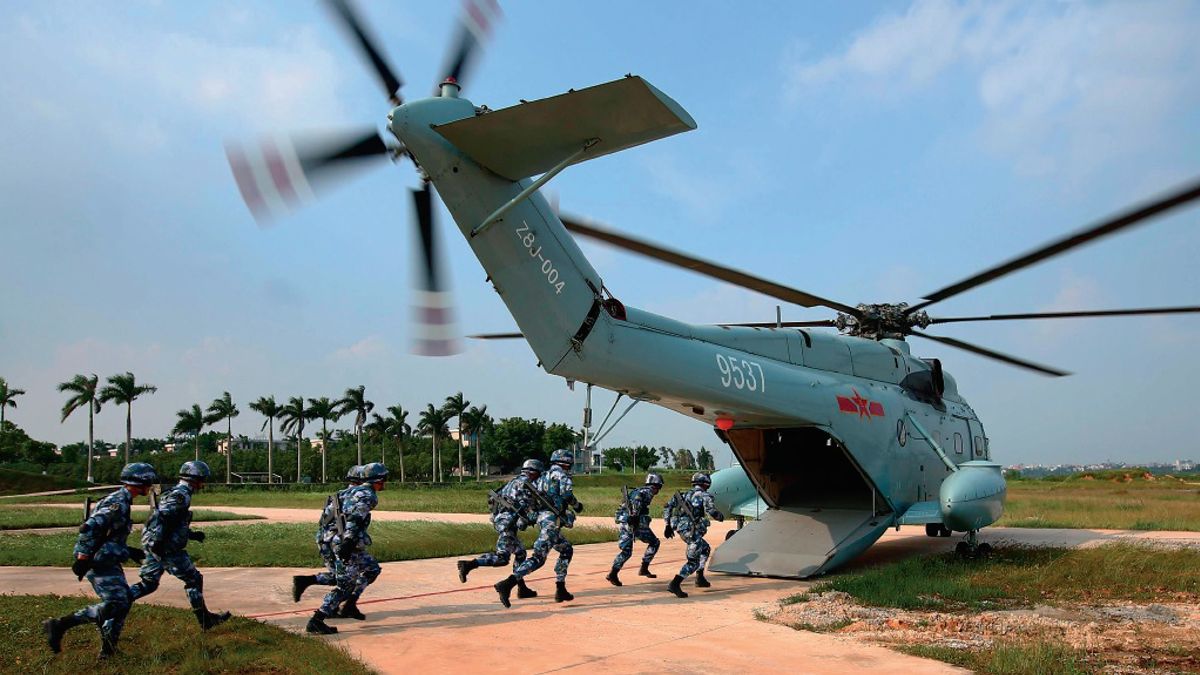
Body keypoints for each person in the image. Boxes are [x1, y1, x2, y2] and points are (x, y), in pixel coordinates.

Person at [43, 462, 156, 657]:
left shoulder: (123, 500)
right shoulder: (118, 503)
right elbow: (90, 527)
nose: (151, 484)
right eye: (149, 480)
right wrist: (83, 558)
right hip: (97, 561)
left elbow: (108, 534)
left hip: (108, 559)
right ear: (140, 481)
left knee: (123, 601)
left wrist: (129, 551)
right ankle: (61, 624)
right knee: (116, 603)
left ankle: (108, 650)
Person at [129, 460, 230, 630]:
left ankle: (116, 602)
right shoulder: (180, 496)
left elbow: (174, 522)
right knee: (194, 579)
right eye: (202, 479)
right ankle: (205, 620)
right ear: (194, 478)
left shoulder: (179, 493)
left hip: (159, 545)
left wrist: (191, 535)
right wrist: (159, 543)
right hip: (166, 548)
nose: (203, 484)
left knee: (149, 583)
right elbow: (162, 519)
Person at [493, 449, 583, 607]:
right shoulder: (561, 475)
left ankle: (560, 588)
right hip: (550, 521)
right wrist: (577, 506)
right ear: (567, 462)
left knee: (566, 549)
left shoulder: (543, 476)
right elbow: (567, 495)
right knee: (538, 558)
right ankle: (507, 584)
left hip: (544, 518)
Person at [307, 462, 387, 634]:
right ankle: (317, 619)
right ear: (378, 480)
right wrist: (348, 541)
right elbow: (356, 518)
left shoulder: (347, 492)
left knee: (372, 568)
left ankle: (349, 604)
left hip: (334, 540)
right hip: (345, 544)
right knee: (345, 585)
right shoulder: (367, 494)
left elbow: (327, 518)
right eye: (383, 479)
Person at [455, 459, 540, 600]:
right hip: (508, 522)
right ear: (534, 472)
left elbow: (494, 497)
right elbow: (530, 508)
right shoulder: (527, 485)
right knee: (502, 558)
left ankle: (522, 588)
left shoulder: (513, 481)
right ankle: (468, 565)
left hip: (502, 520)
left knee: (520, 553)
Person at [293, 465, 363, 610]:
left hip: (325, 539)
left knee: (338, 576)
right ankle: (328, 610)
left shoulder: (339, 495)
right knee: (347, 578)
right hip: (337, 541)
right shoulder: (356, 497)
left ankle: (306, 581)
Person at [663, 472, 724, 598]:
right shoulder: (705, 495)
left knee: (705, 548)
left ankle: (700, 577)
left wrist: (667, 525)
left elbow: (668, 507)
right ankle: (675, 584)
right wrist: (720, 516)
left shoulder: (683, 495)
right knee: (693, 562)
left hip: (682, 529)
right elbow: (711, 511)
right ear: (706, 483)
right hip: (691, 531)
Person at [606, 472, 663, 586]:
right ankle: (644, 567)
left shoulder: (637, 490)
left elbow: (623, 507)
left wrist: (627, 518)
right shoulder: (647, 491)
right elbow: (637, 502)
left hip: (625, 522)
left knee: (626, 551)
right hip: (635, 523)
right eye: (659, 487)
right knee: (654, 542)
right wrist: (635, 516)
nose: (658, 490)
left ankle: (613, 573)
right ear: (655, 485)